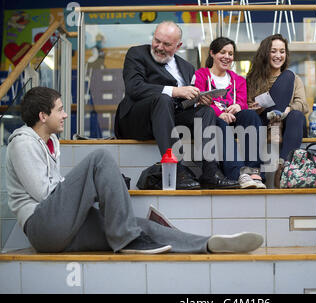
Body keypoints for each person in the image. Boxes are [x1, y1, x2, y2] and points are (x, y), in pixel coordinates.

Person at [5, 86, 264, 255]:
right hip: (42, 227)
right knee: (99, 157)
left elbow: (56, 189)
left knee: (138, 226)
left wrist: (99, 190)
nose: (64, 115)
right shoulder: (23, 141)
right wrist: (90, 190)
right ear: (42, 115)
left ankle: (208, 243)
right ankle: (126, 237)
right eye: (59, 110)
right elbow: (43, 194)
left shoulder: (52, 142)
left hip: (62, 228)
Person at [114, 21, 239, 189]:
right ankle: (176, 168)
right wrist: (176, 91)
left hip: (169, 120)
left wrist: (197, 100)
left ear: (178, 45)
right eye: (157, 40)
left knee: (206, 112)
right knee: (163, 99)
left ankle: (210, 171)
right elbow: (134, 88)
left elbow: (182, 104)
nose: (159, 47)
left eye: (166, 44)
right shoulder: (137, 54)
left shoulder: (187, 67)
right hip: (136, 120)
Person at [194, 37, 265, 189]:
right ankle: (237, 174)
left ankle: (253, 171)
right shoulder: (201, 75)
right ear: (212, 53)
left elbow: (243, 101)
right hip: (212, 120)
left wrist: (238, 106)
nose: (227, 57)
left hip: (233, 118)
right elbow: (198, 101)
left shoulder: (238, 79)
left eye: (231, 54)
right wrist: (219, 113)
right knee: (218, 122)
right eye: (222, 52)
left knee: (251, 116)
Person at [246, 34, 309, 188]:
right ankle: (274, 126)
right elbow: (246, 107)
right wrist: (258, 108)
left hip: (287, 125)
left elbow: (303, 105)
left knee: (297, 115)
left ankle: (283, 167)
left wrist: (288, 109)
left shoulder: (293, 78)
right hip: (264, 123)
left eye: (282, 51)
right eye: (273, 51)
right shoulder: (252, 79)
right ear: (265, 53)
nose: (278, 55)